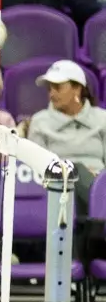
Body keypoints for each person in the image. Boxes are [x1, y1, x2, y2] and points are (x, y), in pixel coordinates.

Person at [25, 59, 106, 206]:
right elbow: (35, 169)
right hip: (57, 189)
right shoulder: (40, 121)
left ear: (77, 88)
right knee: (76, 170)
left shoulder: (102, 119)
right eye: (49, 89)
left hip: (99, 185)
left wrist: (99, 179)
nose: (52, 94)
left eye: (58, 87)